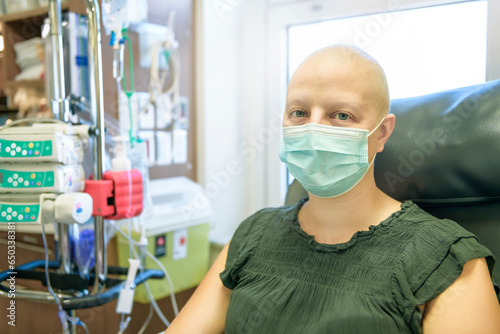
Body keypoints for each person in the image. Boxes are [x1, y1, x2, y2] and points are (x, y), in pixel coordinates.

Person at [165, 45, 500, 333]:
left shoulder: (447, 262)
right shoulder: (253, 234)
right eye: (299, 112)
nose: (312, 129)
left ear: (382, 134)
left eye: (341, 115)